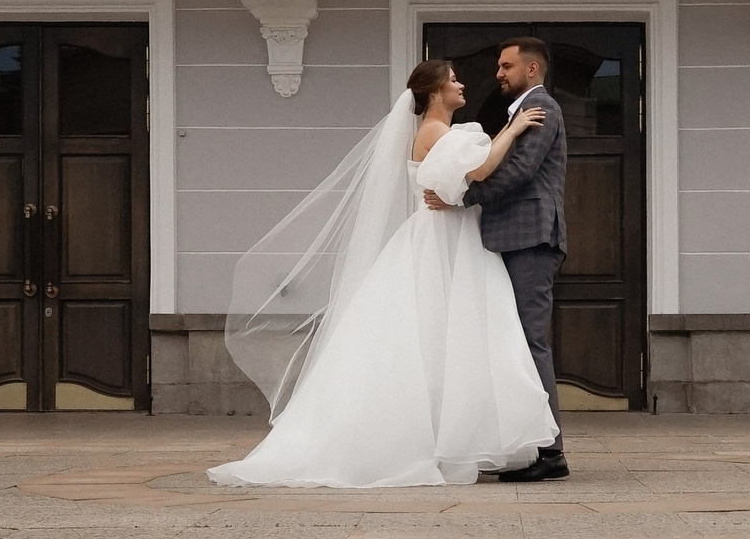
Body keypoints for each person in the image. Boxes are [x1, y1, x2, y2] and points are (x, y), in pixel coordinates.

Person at [210, 59, 558, 488]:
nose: (462, 84)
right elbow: (482, 170)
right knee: (438, 336)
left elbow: (468, 179)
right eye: (453, 80)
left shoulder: (438, 132)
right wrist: (514, 129)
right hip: (442, 240)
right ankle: (433, 440)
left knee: (446, 341)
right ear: (434, 92)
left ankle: (450, 439)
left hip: (450, 235)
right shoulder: (434, 131)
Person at [423, 37, 569, 482]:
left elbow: (519, 172)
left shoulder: (542, 108)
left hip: (529, 238)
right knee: (511, 343)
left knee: (529, 342)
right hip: (509, 239)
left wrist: (463, 197)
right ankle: (523, 443)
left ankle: (551, 451)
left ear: (531, 69)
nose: (498, 73)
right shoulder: (519, 113)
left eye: (506, 66)